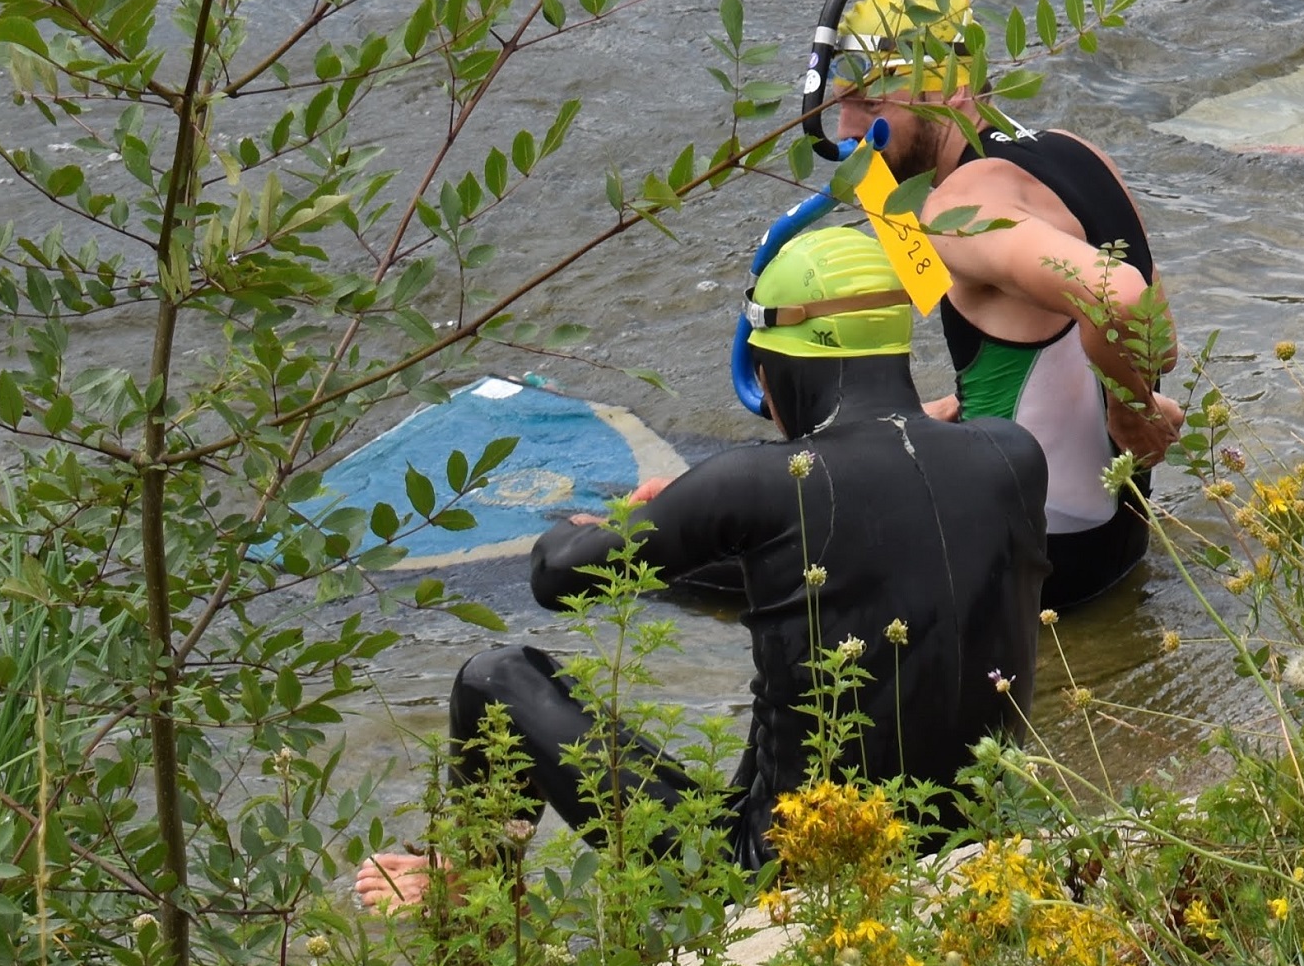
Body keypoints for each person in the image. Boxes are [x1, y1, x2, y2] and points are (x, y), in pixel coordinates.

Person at [358, 223, 1048, 902]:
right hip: (972, 837)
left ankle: (474, 883)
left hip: (780, 871)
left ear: (777, 367)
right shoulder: (1011, 456)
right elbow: (875, 547)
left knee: (494, 680)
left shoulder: (759, 482)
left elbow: (555, 575)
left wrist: (639, 517)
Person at [804, 0, 1183, 614]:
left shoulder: (961, 205)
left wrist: (1132, 412)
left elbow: (1117, 296)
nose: (847, 126)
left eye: (867, 100)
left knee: (751, 517)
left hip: (1028, 573)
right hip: (1118, 554)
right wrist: (1132, 402)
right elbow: (1161, 339)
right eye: (840, 99)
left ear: (938, 86)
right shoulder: (1076, 150)